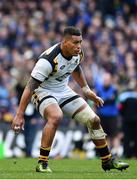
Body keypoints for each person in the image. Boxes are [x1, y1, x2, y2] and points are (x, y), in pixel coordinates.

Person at [12, 26, 129, 173]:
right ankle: (42, 162)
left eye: (80, 42)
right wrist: (19, 114)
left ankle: (107, 161)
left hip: (63, 90)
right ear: (64, 42)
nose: (79, 46)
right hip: (42, 91)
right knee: (56, 116)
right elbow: (29, 87)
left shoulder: (78, 54)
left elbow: (75, 67)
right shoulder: (48, 60)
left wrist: (86, 89)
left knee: (94, 120)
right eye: (75, 43)